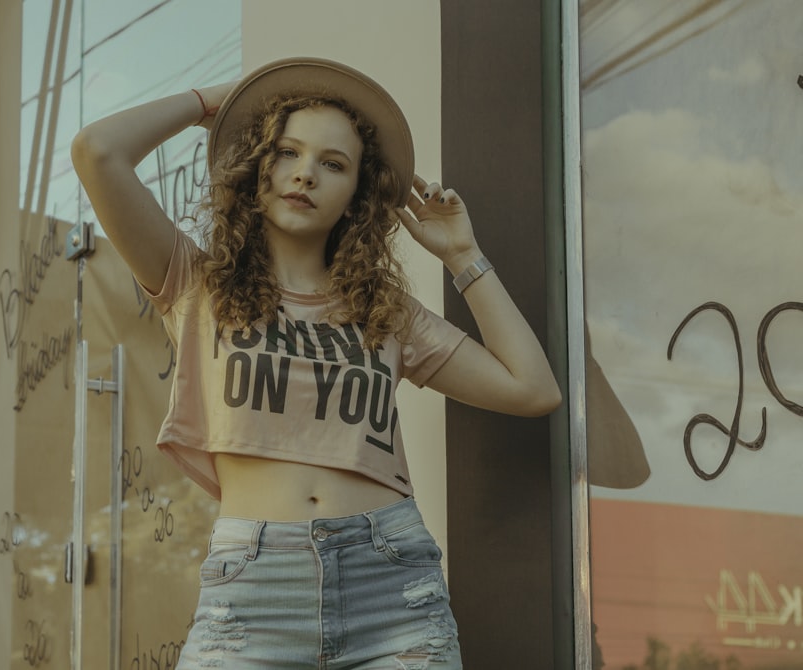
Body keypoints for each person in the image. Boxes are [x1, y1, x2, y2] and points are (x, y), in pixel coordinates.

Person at [71, 57, 561, 670]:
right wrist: (216, 102)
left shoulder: (384, 312)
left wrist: (462, 254)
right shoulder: (197, 285)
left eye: (333, 164)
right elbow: (97, 152)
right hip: (252, 589)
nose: (305, 174)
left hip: (392, 584)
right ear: (257, 167)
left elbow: (532, 389)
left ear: (358, 194)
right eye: (286, 152)